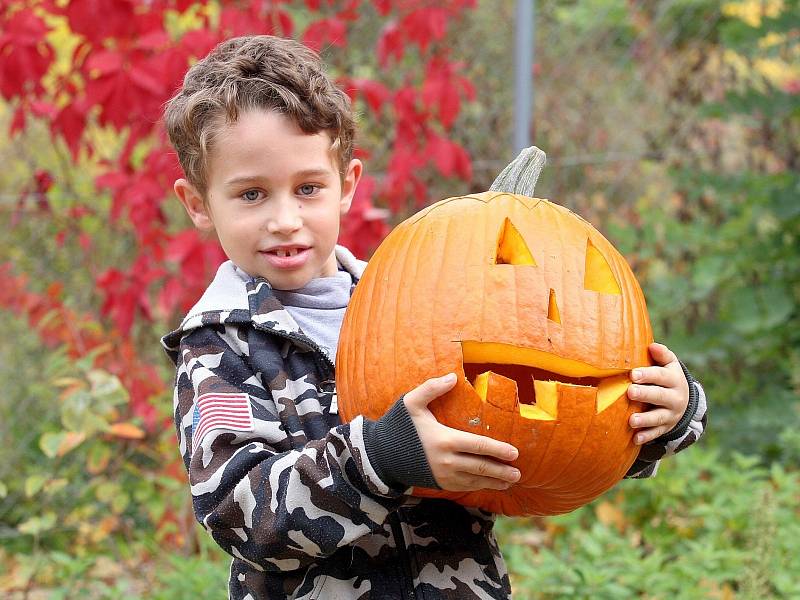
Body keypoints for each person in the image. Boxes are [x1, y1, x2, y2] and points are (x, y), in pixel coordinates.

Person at [160, 35, 708, 600]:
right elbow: (242, 517)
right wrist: (379, 458)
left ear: (346, 185)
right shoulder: (219, 347)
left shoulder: (413, 296)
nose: (285, 220)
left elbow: (535, 429)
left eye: (307, 188)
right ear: (198, 203)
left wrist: (660, 417)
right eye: (251, 195)